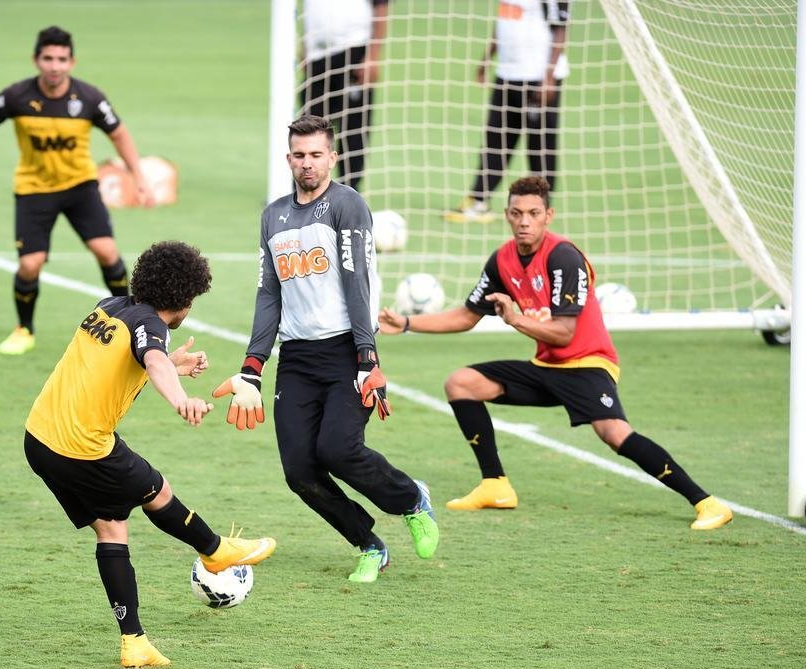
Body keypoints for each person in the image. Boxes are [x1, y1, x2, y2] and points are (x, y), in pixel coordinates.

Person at [381, 176, 733, 530]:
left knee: (614, 433)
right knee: (462, 383)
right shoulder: (502, 260)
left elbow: (564, 333)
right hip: (546, 366)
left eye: (533, 213)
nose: (524, 221)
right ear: (506, 214)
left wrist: (515, 319)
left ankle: (707, 502)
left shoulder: (564, 256)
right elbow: (466, 315)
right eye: (517, 213)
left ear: (548, 215)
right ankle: (495, 485)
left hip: (588, 365)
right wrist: (408, 322)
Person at [24, 240, 276, 668]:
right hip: (81, 447)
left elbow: (124, 362)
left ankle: (134, 642)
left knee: (112, 527)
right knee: (155, 490)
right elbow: (152, 359)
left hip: (40, 438)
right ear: (183, 300)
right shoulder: (150, 324)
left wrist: (170, 362)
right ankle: (215, 549)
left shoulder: (112, 305)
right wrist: (180, 396)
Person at [213, 114, 437, 584]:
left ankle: (412, 500)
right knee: (299, 471)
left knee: (339, 449)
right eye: (299, 155)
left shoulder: (347, 206)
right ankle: (369, 544)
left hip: (344, 352)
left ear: (332, 157)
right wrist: (252, 366)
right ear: (288, 158)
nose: (307, 164)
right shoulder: (272, 215)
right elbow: (268, 293)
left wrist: (367, 357)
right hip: (296, 358)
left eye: (316, 155)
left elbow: (358, 284)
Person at [0, 25, 153, 356]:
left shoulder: (89, 98)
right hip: (34, 189)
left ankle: (131, 322)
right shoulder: (17, 96)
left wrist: (137, 174)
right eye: (48, 58)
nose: (54, 66)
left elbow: (119, 133)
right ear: (36, 60)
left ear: (72, 62)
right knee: (30, 265)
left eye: (61, 59)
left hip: (80, 187)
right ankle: (24, 329)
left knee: (107, 252)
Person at [444, 0, 568, 224]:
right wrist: (487, 57)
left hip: (537, 75)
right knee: (496, 138)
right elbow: (505, 22)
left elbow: (560, 28)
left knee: (539, 146)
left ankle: (540, 205)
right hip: (507, 73)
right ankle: (479, 200)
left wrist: (548, 77)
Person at [300, 0, 389, 193]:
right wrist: (306, 45)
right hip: (317, 54)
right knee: (309, 125)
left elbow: (381, 6)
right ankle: (307, 188)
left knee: (353, 127)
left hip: (354, 50)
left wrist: (372, 57)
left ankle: (349, 190)